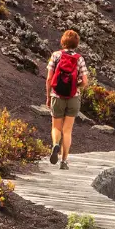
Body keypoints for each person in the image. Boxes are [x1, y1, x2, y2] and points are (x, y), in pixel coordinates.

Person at [45, 29, 89, 169]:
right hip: (73, 97)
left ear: (63, 41)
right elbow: (85, 81)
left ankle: (55, 144)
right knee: (67, 130)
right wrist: (76, 86)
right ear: (76, 43)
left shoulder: (56, 55)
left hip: (57, 95)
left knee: (56, 127)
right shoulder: (79, 58)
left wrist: (48, 96)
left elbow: (49, 79)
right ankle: (64, 162)